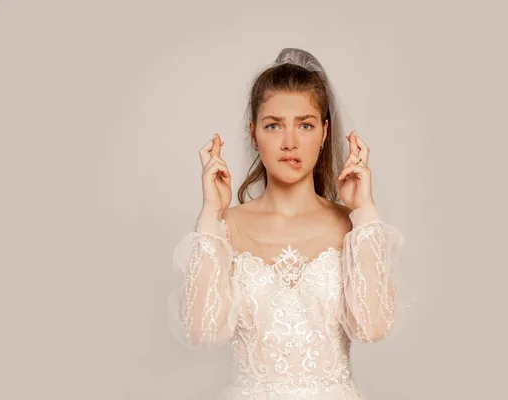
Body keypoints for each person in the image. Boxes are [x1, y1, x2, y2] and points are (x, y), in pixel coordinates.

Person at [168, 48, 408, 399]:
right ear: (253, 133)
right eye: (273, 125)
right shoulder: (226, 226)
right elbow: (203, 331)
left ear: (325, 133)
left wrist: (365, 212)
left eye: (305, 125)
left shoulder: (350, 226)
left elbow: (373, 327)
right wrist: (210, 215)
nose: (290, 142)